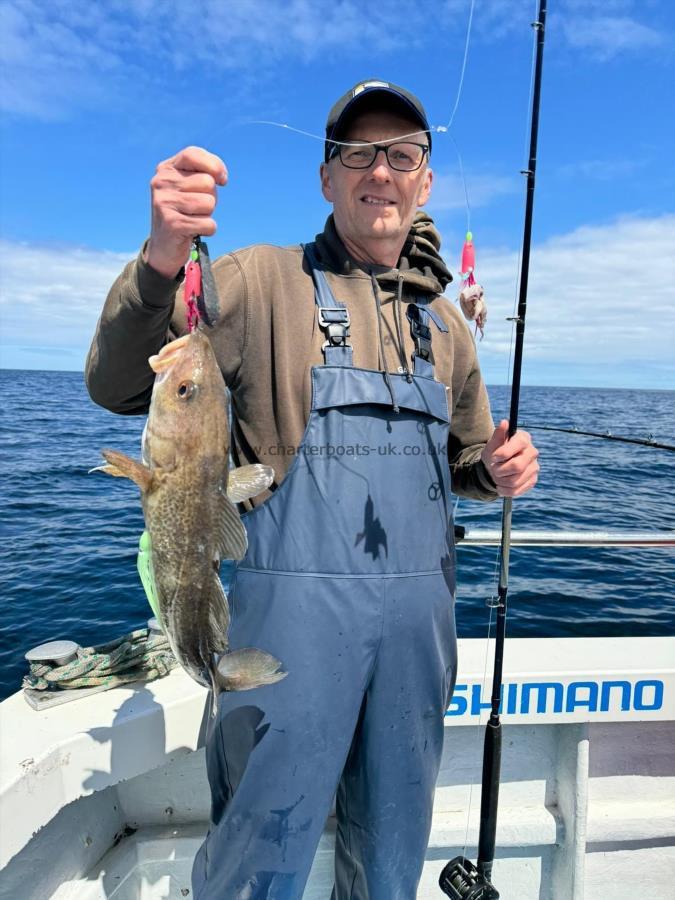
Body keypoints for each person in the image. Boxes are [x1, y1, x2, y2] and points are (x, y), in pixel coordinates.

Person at [86, 79, 539, 900]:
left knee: (392, 850)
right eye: (356, 154)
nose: (380, 171)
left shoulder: (448, 326)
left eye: (402, 155)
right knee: (260, 851)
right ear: (326, 178)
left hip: (417, 638)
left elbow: (467, 459)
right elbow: (121, 386)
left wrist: (497, 470)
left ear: (424, 182)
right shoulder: (261, 283)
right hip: (287, 633)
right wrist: (160, 261)